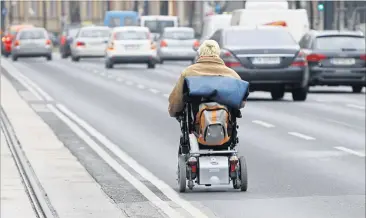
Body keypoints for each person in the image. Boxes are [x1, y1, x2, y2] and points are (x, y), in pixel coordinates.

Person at [168, 40, 246, 117]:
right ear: (218, 53)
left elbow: (177, 99)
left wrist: (174, 111)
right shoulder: (231, 74)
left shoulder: (188, 72)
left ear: (200, 53)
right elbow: (241, 102)